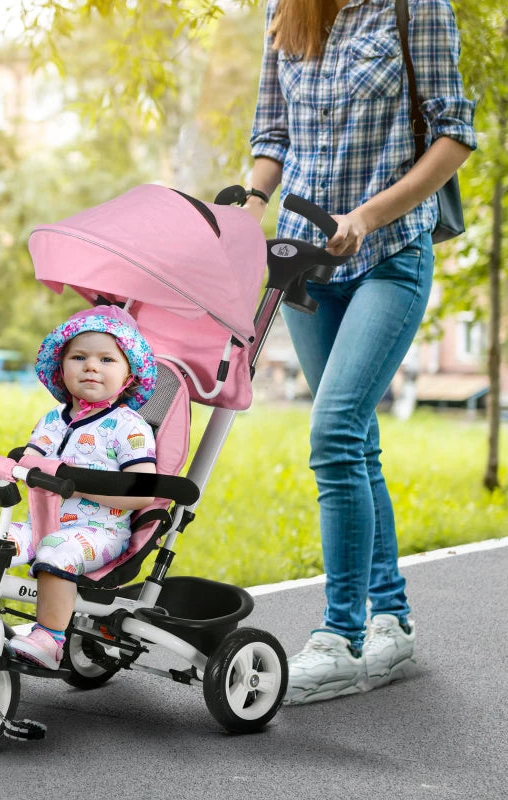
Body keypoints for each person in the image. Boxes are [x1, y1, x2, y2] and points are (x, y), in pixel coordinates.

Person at [242, 0, 476, 704]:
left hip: (388, 253)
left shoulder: (416, 7)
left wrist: (369, 215)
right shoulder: (288, 11)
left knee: (336, 432)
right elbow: (272, 131)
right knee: (358, 443)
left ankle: (338, 636)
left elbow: (454, 135)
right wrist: (246, 203)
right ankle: (392, 623)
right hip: (308, 259)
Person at [0, 305, 158, 670]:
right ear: (61, 367)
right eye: (79, 357)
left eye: (106, 359)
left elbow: (143, 492)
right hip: (44, 524)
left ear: (129, 375)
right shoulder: (52, 420)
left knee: (56, 549)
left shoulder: (129, 426)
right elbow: (29, 460)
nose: (91, 366)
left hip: (99, 531)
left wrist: (75, 486)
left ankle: (50, 639)